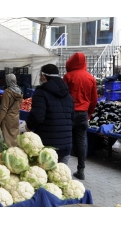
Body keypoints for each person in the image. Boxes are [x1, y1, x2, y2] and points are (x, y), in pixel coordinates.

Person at [22, 64, 74, 165]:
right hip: (66, 145)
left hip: (47, 146)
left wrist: (28, 126)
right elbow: (72, 119)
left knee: (47, 178)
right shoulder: (68, 95)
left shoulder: (40, 93)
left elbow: (37, 116)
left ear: (44, 76)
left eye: (41, 75)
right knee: (61, 179)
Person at [63, 52, 98, 180]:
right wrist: (89, 113)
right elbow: (94, 99)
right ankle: (81, 170)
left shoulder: (68, 76)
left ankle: (63, 169)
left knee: (66, 139)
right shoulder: (90, 78)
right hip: (83, 114)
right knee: (81, 141)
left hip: (69, 113)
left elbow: (63, 95)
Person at [0, 74, 23, 147]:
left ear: (8, 81)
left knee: (8, 139)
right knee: (15, 137)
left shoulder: (7, 92)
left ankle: (9, 153)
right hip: (16, 117)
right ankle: (16, 152)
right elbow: (20, 105)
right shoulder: (19, 91)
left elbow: (4, 109)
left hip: (8, 118)